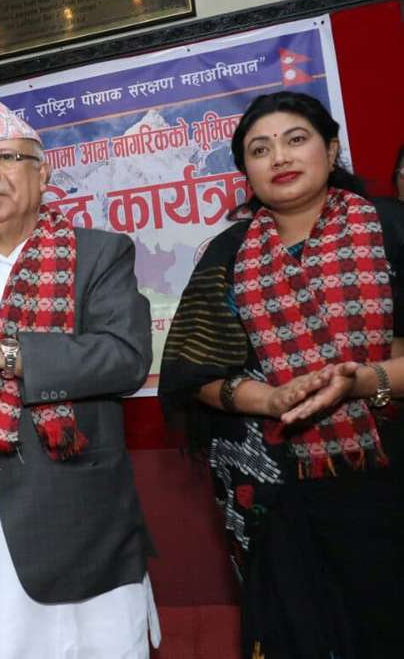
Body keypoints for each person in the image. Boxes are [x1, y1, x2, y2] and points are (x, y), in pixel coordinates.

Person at [160, 91, 404, 659]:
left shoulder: (391, 226)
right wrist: (269, 401)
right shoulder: (226, 254)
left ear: (332, 149)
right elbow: (195, 374)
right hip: (276, 494)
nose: (279, 157)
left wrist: (366, 381)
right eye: (259, 149)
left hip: (391, 479)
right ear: (245, 171)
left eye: (296, 139)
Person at [0, 86, 159, 657]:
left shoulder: (98, 254)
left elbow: (126, 357)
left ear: (43, 172)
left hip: (84, 524)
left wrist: (5, 353)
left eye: (6, 158)